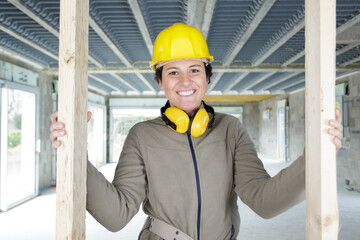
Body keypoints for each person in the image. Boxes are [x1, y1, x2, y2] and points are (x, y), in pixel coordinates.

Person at [50, 23, 343, 240]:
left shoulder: (231, 129)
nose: (185, 80)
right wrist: (74, 153)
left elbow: (264, 200)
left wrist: (316, 155)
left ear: (206, 77)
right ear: (160, 82)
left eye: (194, 69)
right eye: (173, 72)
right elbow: (116, 215)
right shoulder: (142, 136)